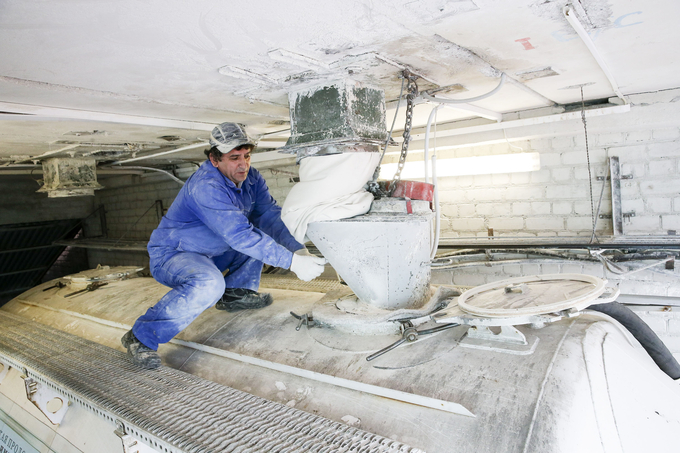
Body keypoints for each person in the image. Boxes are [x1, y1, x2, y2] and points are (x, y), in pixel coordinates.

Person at [122, 122, 326, 369]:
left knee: (259, 231)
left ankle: (235, 293)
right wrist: (293, 263)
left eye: (247, 156)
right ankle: (141, 337)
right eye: (234, 158)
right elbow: (239, 236)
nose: (243, 164)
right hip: (176, 254)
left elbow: (269, 215)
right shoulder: (206, 186)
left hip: (215, 251)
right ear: (214, 159)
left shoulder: (251, 178)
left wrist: (296, 249)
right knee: (210, 283)